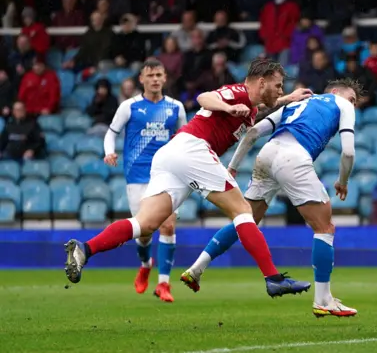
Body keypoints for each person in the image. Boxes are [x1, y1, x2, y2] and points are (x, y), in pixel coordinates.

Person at [63, 59, 313, 299]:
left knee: (145, 224)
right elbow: (204, 97)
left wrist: (288, 99)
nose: (280, 89)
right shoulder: (236, 92)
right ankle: (273, 278)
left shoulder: (251, 105)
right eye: (278, 85)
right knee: (243, 211)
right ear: (261, 82)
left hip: (171, 155)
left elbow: (260, 105)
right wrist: (227, 107)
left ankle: (85, 249)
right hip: (193, 149)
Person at [181, 78, 361, 318]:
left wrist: (233, 167)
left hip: (267, 153)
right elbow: (348, 151)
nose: (353, 105)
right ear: (337, 92)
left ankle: (196, 269)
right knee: (324, 227)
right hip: (294, 157)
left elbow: (254, 131)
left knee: (245, 220)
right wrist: (343, 181)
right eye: (352, 99)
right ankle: (323, 300)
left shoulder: (296, 103)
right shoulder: (342, 105)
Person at [102, 59, 187, 302]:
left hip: (167, 174)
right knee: (144, 234)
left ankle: (164, 284)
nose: (155, 79)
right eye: (150, 75)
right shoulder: (129, 107)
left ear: (165, 77)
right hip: (137, 175)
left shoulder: (176, 107)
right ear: (142, 79)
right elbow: (111, 133)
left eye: (159, 74)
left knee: (168, 225)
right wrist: (109, 151)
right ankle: (145, 263)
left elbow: (185, 137)